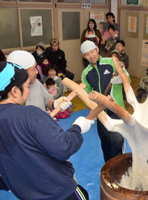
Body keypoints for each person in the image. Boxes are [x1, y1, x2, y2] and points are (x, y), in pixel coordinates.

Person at [0, 61, 94, 200]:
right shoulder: (30, 114)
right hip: (58, 191)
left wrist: (13, 182)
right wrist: (77, 127)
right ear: (14, 91)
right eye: (26, 87)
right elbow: (64, 147)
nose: (28, 91)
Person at [80, 41, 130, 163]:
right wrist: (94, 108)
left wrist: (121, 79)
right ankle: (108, 170)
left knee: (117, 143)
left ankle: (119, 170)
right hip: (101, 114)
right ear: (83, 57)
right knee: (106, 143)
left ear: (97, 49)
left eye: (92, 52)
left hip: (117, 110)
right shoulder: (86, 73)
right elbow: (88, 95)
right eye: (87, 54)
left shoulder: (111, 62)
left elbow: (127, 78)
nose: (91, 56)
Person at [7, 50, 71, 113]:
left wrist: (55, 103)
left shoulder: (36, 83)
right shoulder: (9, 96)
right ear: (22, 73)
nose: (37, 72)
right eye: (33, 69)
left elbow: (47, 100)